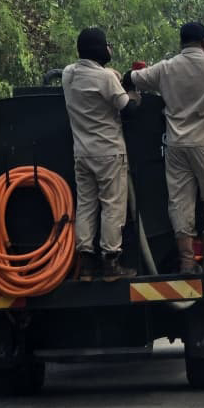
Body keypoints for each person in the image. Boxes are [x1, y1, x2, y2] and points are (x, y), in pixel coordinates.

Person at [123, 22, 204, 273]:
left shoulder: (166, 68)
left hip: (176, 146)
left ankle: (187, 261)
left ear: (181, 42)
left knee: (180, 203)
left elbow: (129, 78)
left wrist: (132, 95)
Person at [61, 27, 141, 282]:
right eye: (107, 45)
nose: (109, 49)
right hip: (108, 153)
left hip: (82, 153)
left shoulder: (68, 74)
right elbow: (127, 109)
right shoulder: (106, 79)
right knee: (112, 207)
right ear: (99, 49)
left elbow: (95, 77)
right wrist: (133, 94)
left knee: (86, 205)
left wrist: (111, 75)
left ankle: (85, 264)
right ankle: (110, 262)